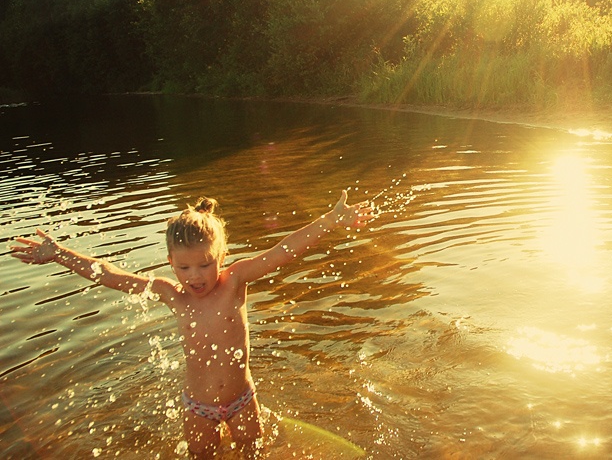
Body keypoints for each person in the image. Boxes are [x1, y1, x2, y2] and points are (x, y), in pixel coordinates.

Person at [11, 190, 375, 457]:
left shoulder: (234, 282)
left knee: (252, 452)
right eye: (184, 267)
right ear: (170, 261)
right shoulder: (173, 294)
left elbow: (283, 251)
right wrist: (59, 253)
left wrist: (330, 220)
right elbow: (109, 274)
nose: (195, 276)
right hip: (196, 407)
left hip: (243, 399)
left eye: (205, 264)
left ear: (221, 256)